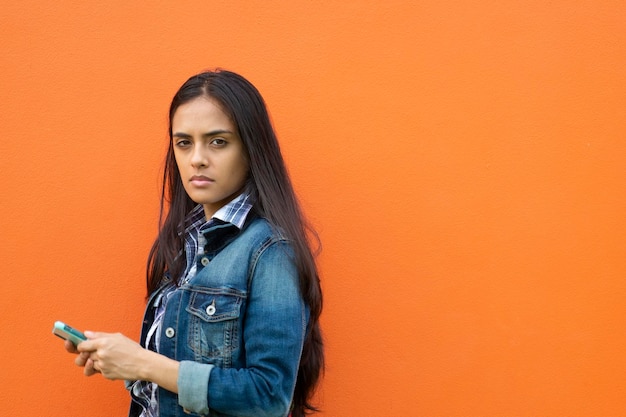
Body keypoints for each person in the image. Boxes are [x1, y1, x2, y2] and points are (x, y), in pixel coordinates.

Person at [64, 69, 324, 417]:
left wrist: (144, 364)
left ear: (251, 149)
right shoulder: (187, 243)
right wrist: (119, 359)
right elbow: (178, 377)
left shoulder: (269, 250)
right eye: (184, 142)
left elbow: (268, 396)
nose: (196, 158)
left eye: (218, 141)